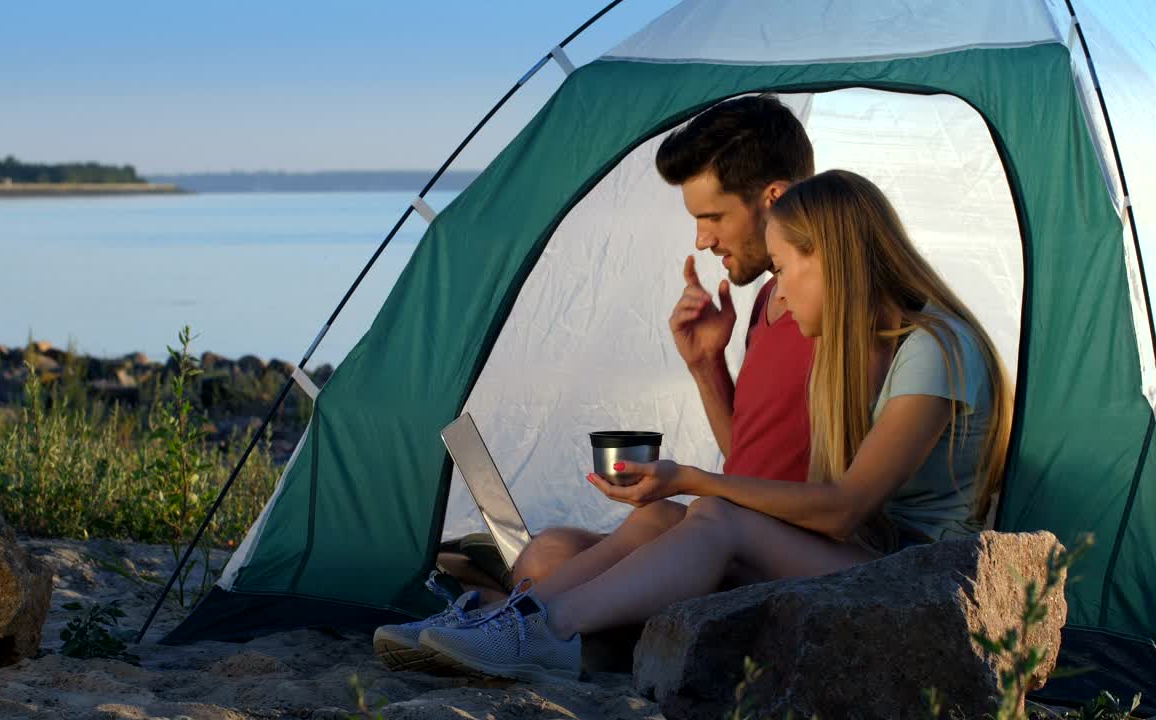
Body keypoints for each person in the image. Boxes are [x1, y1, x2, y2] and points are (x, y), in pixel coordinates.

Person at [410, 169, 1015, 683]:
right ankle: (514, 622)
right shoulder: (867, 346)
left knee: (714, 516)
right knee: (660, 517)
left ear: (827, 257)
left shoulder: (936, 348)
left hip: (923, 584)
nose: (780, 293)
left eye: (782, 267)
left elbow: (842, 510)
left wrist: (695, 479)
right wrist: (695, 429)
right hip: (867, 560)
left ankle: (548, 629)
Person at [373, 94, 818, 671]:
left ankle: (519, 627)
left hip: (771, 542)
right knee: (549, 549)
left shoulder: (827, 308)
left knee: (662, 523)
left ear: (773, 199)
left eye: (713, 217)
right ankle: (513, 626)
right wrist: (707, 367)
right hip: (739, 526)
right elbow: (755, 460)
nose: (702, 241)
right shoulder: (765, 301)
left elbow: (829, 496)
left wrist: (691, 482)